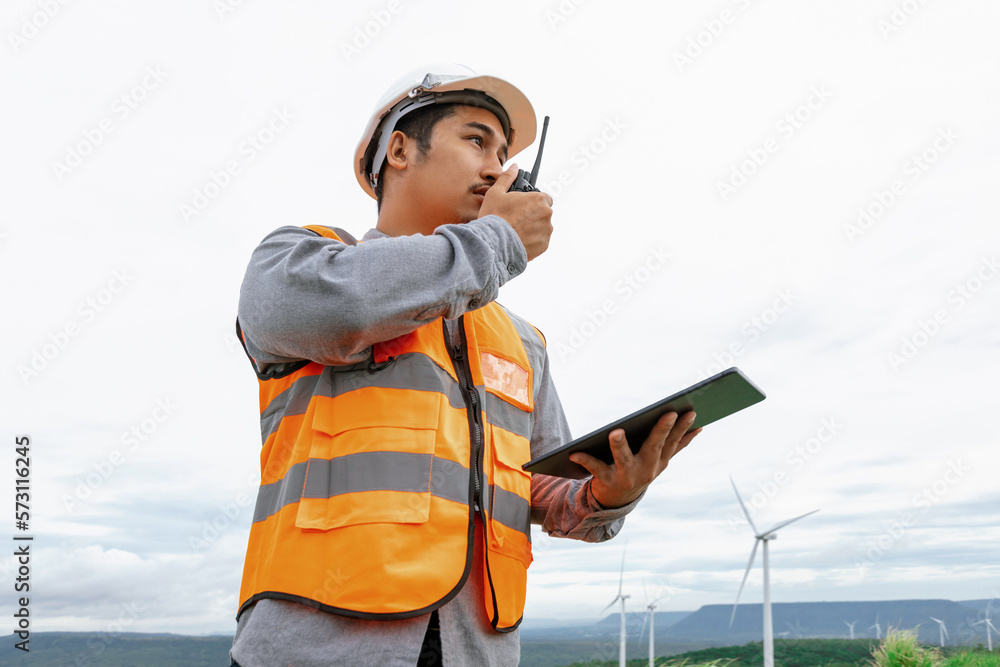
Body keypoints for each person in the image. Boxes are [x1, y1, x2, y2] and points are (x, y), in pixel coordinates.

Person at [230, 64, 701, 667]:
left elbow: (546, 488)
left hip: (477, 650)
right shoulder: (297, 264)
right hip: (318, 648)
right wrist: (500, 242)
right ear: (398, 149)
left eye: (504, 154)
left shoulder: (520, 341)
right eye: (476, 140)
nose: (496, 169)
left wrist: (608, 495)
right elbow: (349, 306)